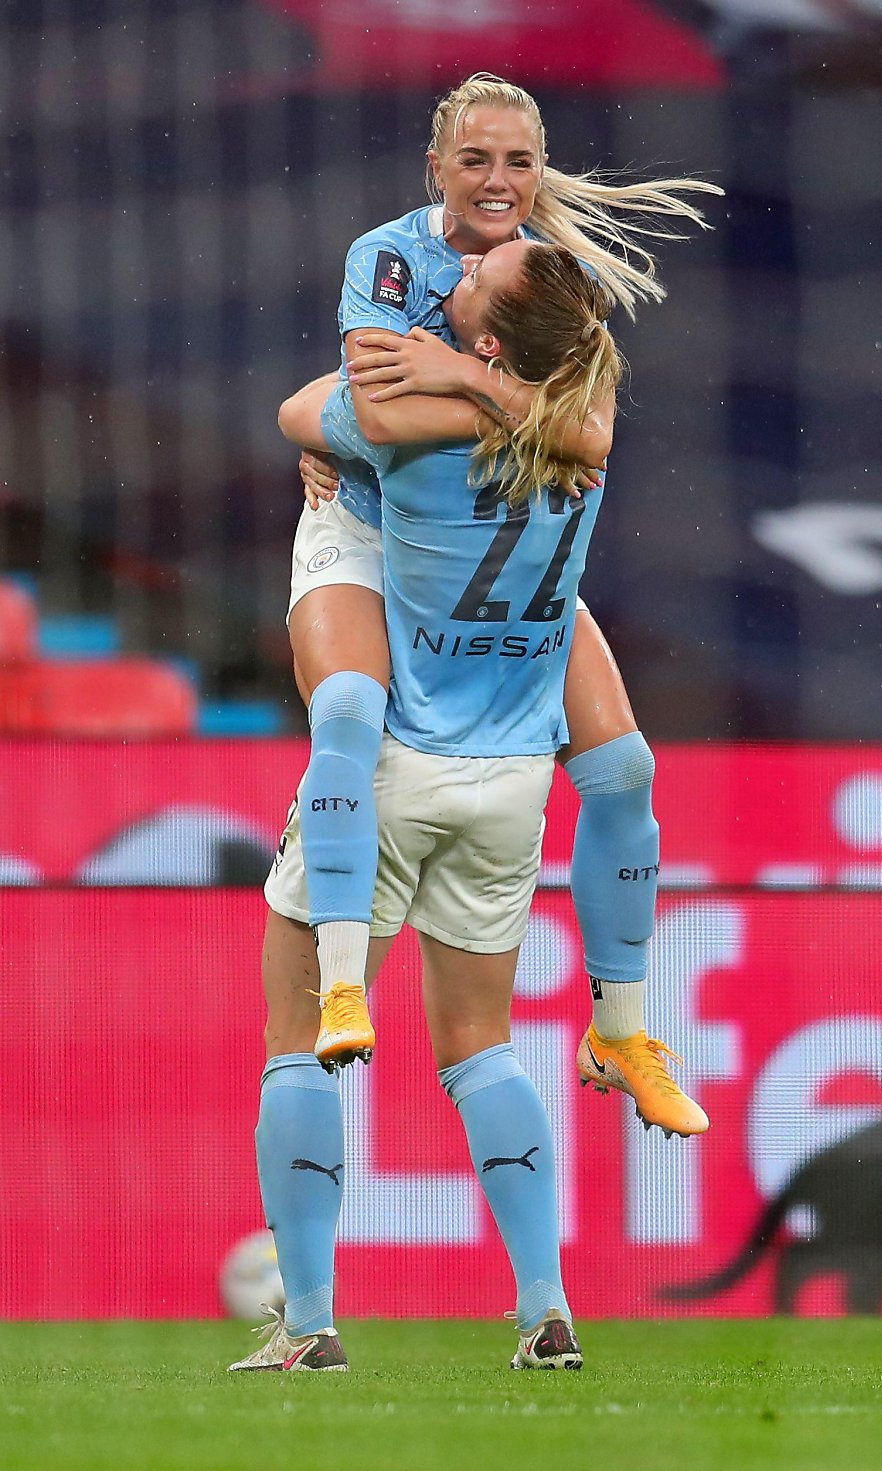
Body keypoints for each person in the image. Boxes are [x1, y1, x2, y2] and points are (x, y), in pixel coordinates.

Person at [234, 239, 668, 1373]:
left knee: (297, 1047)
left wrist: (422, 380)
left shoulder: (404, 429)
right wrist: (487, 378)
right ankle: (547, 1310)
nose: (454, 270)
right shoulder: (583, 444)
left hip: (397, 768)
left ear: (483, 341)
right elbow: (570, 411)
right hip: (514, 784)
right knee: (482, 1046)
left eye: (474, 282)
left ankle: (312, 1324)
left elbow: (299, 414)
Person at [290, 72, 719, 1139]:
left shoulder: (555, 270)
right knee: (346, 710)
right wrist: (498, 409)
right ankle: (340, 973)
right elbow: (378, 412)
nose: (499, 181)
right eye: (475, 159)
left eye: (519, 161)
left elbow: (593, 434)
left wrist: (469, 381)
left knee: (623, 767)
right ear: (435, 167)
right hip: (381, 528)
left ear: (540, 167)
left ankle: (620, 1028)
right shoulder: (386, 258)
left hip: (497, 548)